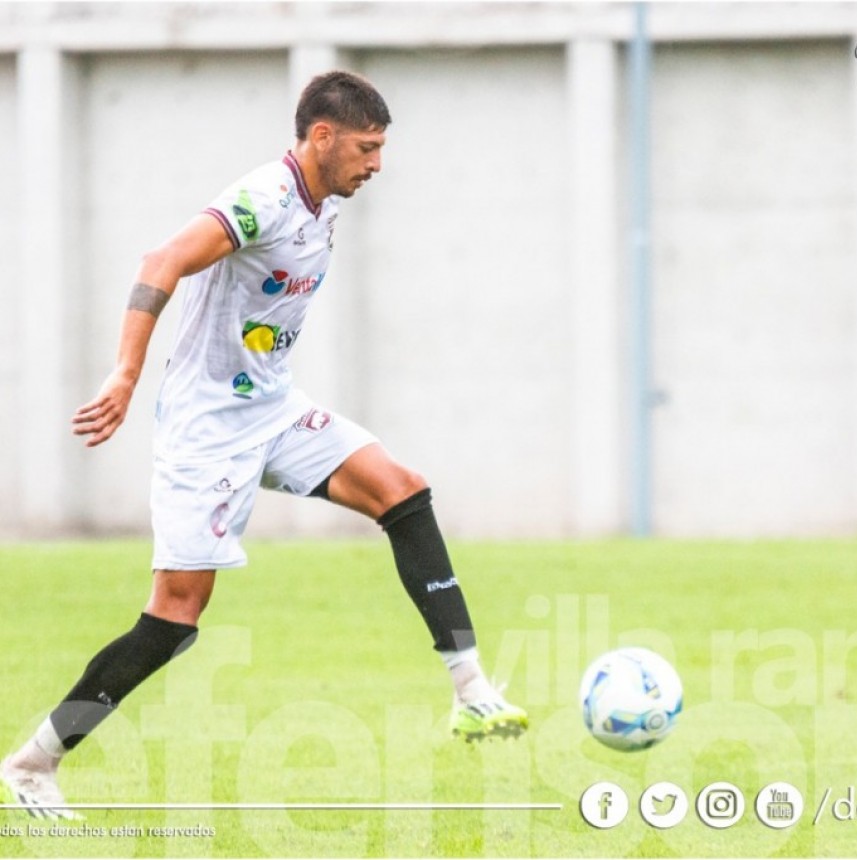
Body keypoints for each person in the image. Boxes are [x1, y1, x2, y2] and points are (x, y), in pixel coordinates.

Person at [1, 70, 527, 820]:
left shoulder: (322, 202)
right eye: (367, 148)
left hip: (273, 410)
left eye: (380, 149)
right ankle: (32, 764)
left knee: (401, 490)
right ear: (321, 137)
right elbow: (161, 262)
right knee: (174, 622)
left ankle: (471, 690)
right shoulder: (264, 199)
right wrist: (125, 373)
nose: (376, 164)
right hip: (206, 431)